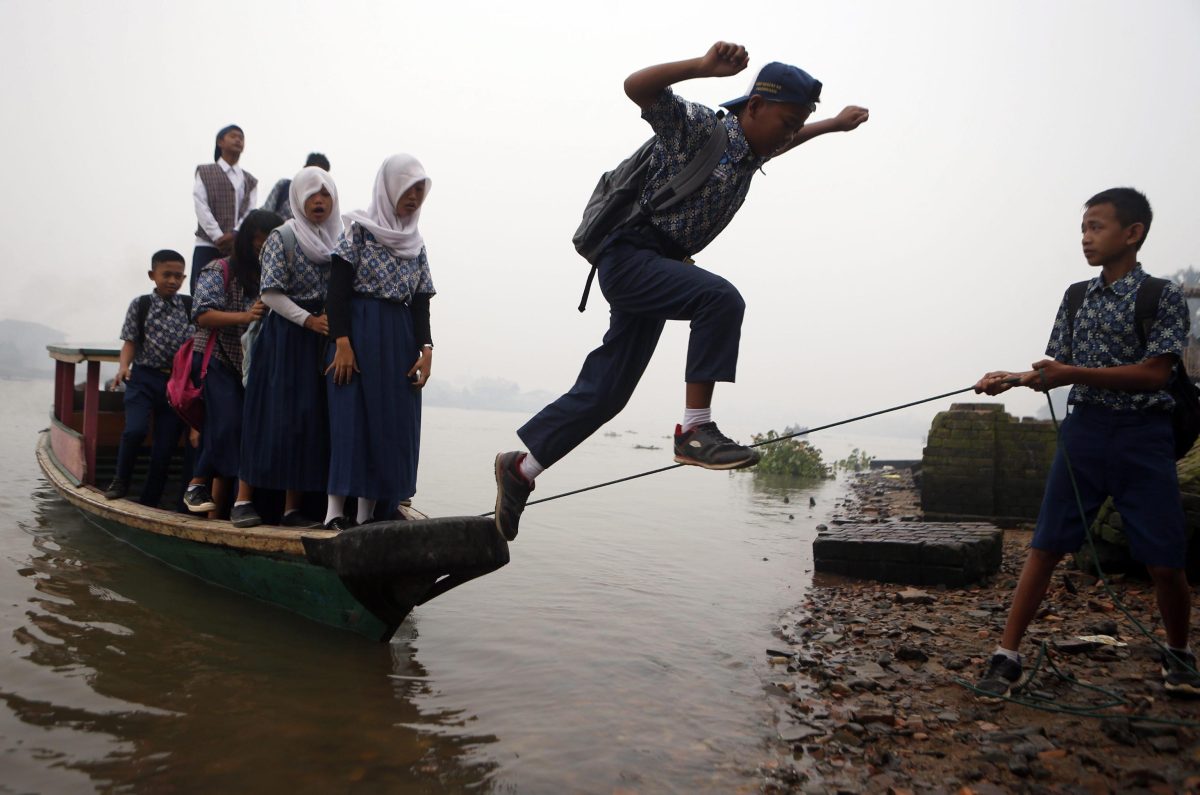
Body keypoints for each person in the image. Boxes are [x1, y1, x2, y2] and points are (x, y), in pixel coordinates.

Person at [493, 41, 870, 540]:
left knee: (610, 390)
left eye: (797, 125)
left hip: (658, 266)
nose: (790, 135)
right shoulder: (698, 129)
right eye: (786, 122)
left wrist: (830, 126)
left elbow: (784, 140)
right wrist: (701, 68)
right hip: (629, 258)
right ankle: (695, 429)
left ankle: (522, 469)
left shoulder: (751, 152)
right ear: (754, 107)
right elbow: (637, 88)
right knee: (719, 299)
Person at [973, 187, 1200, 698]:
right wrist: (1009, 378)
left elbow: (1155, 374)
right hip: (1085, 433)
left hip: (1146, 437)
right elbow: (1052, 370)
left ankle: (1180, 655)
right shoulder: (1077, 296)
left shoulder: (1159, 296)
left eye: (1096, 227)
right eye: (1083, 228)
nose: (1085, 238)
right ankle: (1006, 656)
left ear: (1132, 233)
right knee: (1046, 546)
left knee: (1164, 560)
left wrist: (1070, 373)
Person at [323, 154, 434, 532]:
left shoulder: (416, 244)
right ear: (389, 187)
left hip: (399, 336)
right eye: (408, 188)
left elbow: (421, 303)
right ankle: (334, 514)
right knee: (350, 420)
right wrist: (342, 341)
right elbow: (336, 293)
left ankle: (367, 517)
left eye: (420, 190)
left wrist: (427, 350)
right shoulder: (358, 231)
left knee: (387, 424)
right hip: (358, 331)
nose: (414, 197)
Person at [235, 167, 340, 528]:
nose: (319, 201)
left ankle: (292, 508)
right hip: (284, 337)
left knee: (306, 420)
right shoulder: (284, 237)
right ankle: (243, 500)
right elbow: (271, 294)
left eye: (326, 195)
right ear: (298, 198)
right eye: (312, 194)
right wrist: (309, 321)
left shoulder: (337, 239)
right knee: (267, 414)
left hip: (317, 341)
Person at [182, 210, 281, 521]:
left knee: (245, 428)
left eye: (268, 246)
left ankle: (218, 495)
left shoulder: (270, 277)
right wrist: (245, 316)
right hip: (216, 359)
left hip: (250, 368)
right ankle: (201, 486)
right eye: (257, 245)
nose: (262, 252)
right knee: (230, 423)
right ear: (246, 243)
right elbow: (201, 315)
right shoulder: (218, 270)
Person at [104, 250, 194, 506]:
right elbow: (130, 341)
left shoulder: (189, 306)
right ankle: (120, 481)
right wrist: (124, 366)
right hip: (143, 378)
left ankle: (149, 501)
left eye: (178, 276)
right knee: (135, 431)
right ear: (152, 275)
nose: (173, 281)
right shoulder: (140, 305)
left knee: (164, 449)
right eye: (167, 275)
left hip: (174, 384)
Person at [192, 124, 258, 294]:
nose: (238, 140)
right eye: (233, 136)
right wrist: (218, 236)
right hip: (207, 242)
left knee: (235, 291)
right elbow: (201, 204)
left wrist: (235, 234)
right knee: (201, 289)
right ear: (220, 141)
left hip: (237, 246)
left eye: (241, 138)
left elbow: (250, 211)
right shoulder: (205, 171)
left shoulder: (249, 180)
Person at [261, 152, 331, 220]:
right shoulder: (284, 186)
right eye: (315, 172)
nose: (318, 177)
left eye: (323, 174)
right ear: (305, 168)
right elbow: (265, 215)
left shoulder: (324, 198)